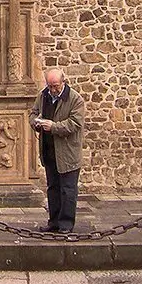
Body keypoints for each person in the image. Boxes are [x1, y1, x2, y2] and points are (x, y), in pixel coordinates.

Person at [28, 67, 85, 233]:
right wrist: (36, 122)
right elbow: (33, 113)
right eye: (50, 86)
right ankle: (53, 222)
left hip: (67, 152)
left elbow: (75, 124)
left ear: (63, 82)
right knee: (53, 188)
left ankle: (66, 224)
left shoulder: (75, 99)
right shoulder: (43, 96)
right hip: (49, 150)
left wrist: (53, 126)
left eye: (56, 86)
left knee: (68, 190)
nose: (53, 90)